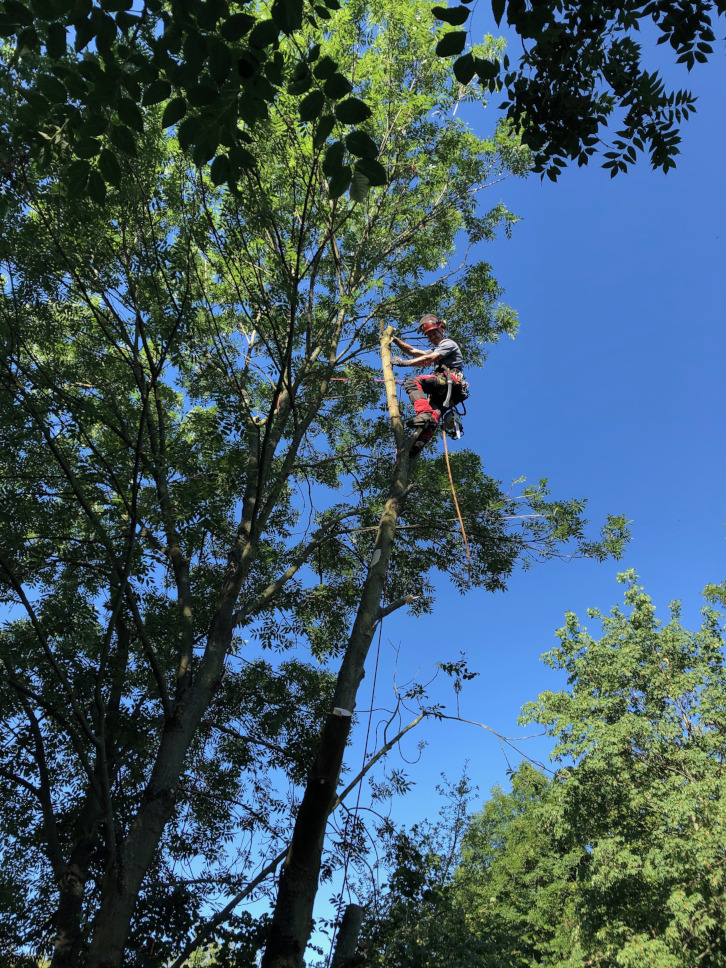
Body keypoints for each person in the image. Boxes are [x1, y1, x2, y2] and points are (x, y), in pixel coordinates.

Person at [391, 313, 467, 450]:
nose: (432, 337)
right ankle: (418, 444)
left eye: (433, 333)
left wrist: (404, 363)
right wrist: (396, 341)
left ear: (442, 330)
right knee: (434, 415)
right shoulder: (437, 348)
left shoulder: (448, 343)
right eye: (429, 335)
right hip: (450, 394)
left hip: (450, 382)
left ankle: (423, 414)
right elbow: (414, 351)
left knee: (413, 382)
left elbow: (430, 358)